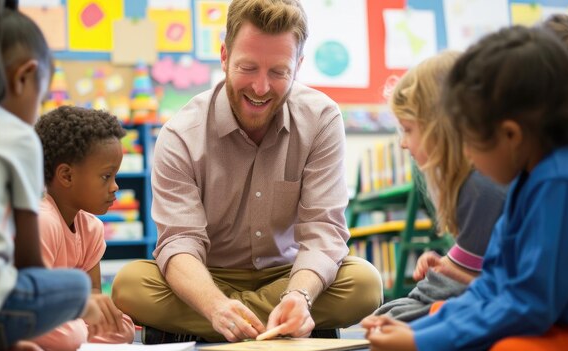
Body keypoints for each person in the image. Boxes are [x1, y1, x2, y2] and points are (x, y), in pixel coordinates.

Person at [112, 0, 382, 344]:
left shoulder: (321, 119)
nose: (260, 88)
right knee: (131, 285)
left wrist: (299, 296)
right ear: (224, 57)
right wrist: (214, 305)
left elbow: (322, 231)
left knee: (364, 284)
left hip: (288, 275)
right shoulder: (181, 134)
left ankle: (250, 323)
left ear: (298, 66)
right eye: (248, 67)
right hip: (207, 278)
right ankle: (270, 325)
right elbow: (180, 241)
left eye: (278, 72)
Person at [361, 25, 568, 351]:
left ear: (511, 136)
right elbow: (491, 287)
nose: (466, 154)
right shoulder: (526, 182)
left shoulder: (556, 183)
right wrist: (424, 330)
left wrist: (421, 339)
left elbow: (528, 306)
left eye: (470, 140)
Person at [0, 1, 115, 350]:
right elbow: (29, 267)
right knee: (75, 289)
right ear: (24, 77)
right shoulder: (16, 136)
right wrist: (79, 303)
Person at [372, 51, 507, 322]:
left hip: (503, 300)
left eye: (408, 129)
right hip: (494, 292)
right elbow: (473, 267)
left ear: (440, 126)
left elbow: (484, 281)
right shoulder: (478, 179)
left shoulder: (479, 186)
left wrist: (447, 270)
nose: (403, 143)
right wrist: (444, 265)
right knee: (397, 311)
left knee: (393, 316)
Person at [30, 106, 135, 350]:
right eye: (105, 176)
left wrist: (102, 313)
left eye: (115, 176)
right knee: (70, 333)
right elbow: (34, 300)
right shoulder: (42, 221)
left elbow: (94, 291)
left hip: (72, 317)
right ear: (66, 176)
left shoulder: (92, 228)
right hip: (34, 314)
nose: (115, 187)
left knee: (124, 327)